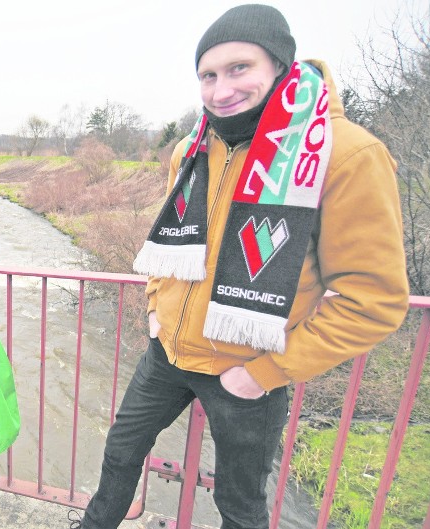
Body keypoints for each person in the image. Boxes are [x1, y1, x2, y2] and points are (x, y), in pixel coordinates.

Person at [76, 5, 409, 529]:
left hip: (248, 369)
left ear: (279, 65)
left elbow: (374, 300)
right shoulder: (192, 148)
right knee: (119, 454)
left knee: (240, 503)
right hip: (169, 352)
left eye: (240, 69)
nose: (220, 89)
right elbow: (168, 244)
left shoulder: (343, 154)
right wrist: (155, 311)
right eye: (208, 75)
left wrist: (263, 375)